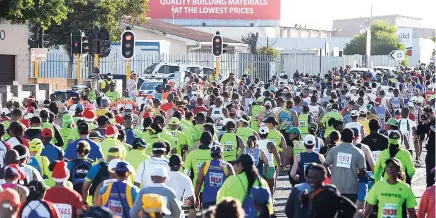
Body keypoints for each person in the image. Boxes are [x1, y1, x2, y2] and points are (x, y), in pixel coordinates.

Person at [323, 128, 366, 203]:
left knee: (336, 212)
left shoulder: (333, 150)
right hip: (352, 189)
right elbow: (362, 173)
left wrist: (330, 174)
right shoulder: (359, 152)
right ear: (353, 137)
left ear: (341, 138)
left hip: (335, 188)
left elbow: (324, 166)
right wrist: (354, 174)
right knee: (350, 213)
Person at [196, 145, 234, 210]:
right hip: (222, 200)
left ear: (211, 155)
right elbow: (233, 184)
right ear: (221, 154)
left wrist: (196, 197)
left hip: (207, 199)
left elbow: (199, 182)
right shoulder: (227, 166)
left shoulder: (205, 165)